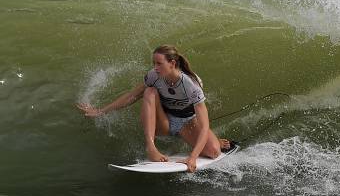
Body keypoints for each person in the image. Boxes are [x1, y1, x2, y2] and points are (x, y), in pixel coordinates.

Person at [77, 45, 232, 172]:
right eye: (154, 63)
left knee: (214, 152)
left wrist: (192, 157)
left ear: (172, 63)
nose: (155, 68)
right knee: (149, 91)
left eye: (159, 63)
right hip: (163, 121)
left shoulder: (192, 85)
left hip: (187, 123)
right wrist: (100, 111)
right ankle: (151, 147)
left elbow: (204, 125)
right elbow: (132, 96)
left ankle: (212, 141)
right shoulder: (154, 76)